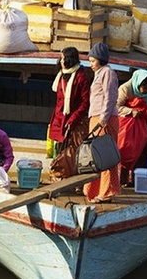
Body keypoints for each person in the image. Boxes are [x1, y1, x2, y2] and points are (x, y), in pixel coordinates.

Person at [83, 42, 121, 203]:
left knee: (106, 156)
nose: (91, 64)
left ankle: (106, 193)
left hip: (104, 119)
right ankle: (94, 190)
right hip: (96, 117)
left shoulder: (108, 73)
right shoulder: (100, 73)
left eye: (92, 61)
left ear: (100, 60)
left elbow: (110, 97)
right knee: (95, 156)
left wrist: (104, 118)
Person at [48, 46, 93, 180]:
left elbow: (85, 103)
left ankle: (73, 179)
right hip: (59, 118)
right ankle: (59, 174)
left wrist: (72, 120)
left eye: (63, 58)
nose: (60, 61)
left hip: (76, 120)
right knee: (59, 148)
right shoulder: (61, 75)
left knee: (74, 150)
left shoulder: (81, 77)